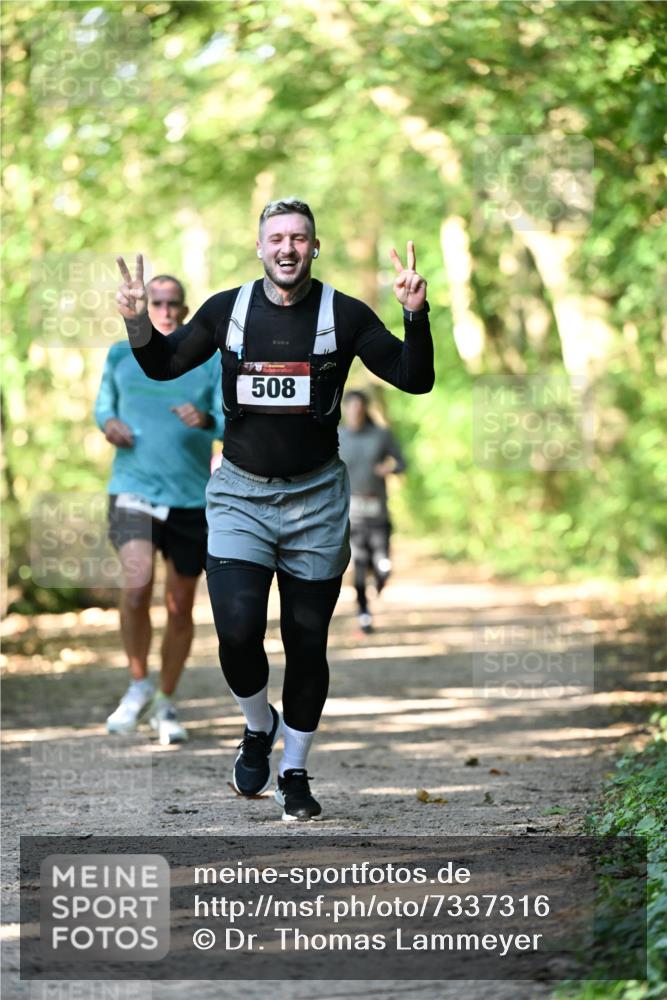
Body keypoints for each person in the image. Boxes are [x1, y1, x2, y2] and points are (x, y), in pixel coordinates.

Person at [115, 198, 434, 819]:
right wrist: (136, 321)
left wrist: (414, 314)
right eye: (277, 237)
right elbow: (164, 363)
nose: (288, 247)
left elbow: (414, 377)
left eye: (299, 238)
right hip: (240, 495)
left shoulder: (343, 313)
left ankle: (294, 771)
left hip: (317, 499)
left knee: (306, 643)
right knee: (236, 632)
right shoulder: (226, 311)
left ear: (314, 247)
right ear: (259, 247)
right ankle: (258, 725)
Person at [96, 274, 224, 745]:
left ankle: (166, 701)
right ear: (145, 307)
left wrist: (206, 419)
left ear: (185, 311)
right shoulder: (119, 354)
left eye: (174, 304)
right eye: (157, 303)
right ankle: (138, 685)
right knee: (136, 588)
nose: (166, 311)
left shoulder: (207, 359)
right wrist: (109, 423)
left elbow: (227, 419)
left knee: (180, 605)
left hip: (190, 497)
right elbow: (103, 407)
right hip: (133, 489)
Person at [339, 390, 406, 634]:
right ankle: (364, 613)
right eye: (351, 406)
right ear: (345, 409)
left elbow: (401, 463)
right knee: (358, 562)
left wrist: (389, 468)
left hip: (377, 511)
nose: (355, 411)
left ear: (365, 409)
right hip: (351, 513)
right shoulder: (337, 436)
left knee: (382, 563)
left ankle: (380, 579)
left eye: (359, 406)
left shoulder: (381, 435)